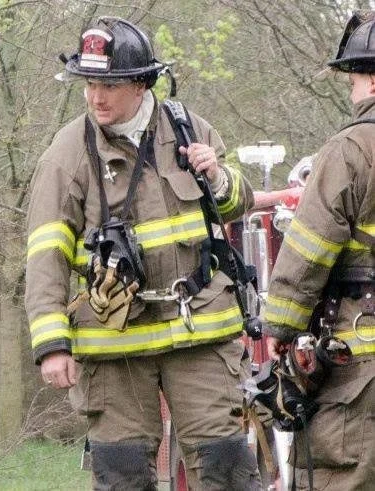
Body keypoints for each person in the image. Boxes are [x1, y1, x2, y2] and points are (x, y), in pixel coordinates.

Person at [25, 16, 261, 490]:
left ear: (142, 83)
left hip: (199, 333)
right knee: (123, 474)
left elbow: (238, 204)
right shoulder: (66, 153)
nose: (96, 96)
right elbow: (45, 253)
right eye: (89, 83)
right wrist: (52, 345)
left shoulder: (189, 128)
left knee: (226, 463)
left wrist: (217, 177)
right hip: (114, 345)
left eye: (108, 84)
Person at [265, 11, 375, 491]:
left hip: (361, 366)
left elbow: (308, 250)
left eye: (352, 77)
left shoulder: (350, 150)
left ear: (369, 77)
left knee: (343, 475)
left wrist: (281, 328)